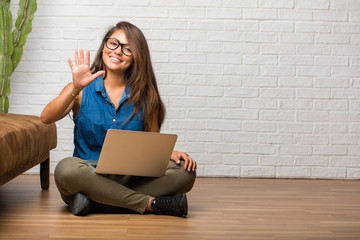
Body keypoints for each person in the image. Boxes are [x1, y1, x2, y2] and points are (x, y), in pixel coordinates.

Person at [41, 21, 196, 217]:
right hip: (87, 174)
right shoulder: (81, 91)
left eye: (127, 49)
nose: (118, 51)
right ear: (104, 46)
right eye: (113, 43)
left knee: (185, 172)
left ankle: (95, 202)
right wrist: (75, 87)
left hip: (131, 177)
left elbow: (150, 144)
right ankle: (150, 204)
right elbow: (46, 118)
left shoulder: (147, 96)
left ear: (137, 57)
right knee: (66, 169)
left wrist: (169, 152)